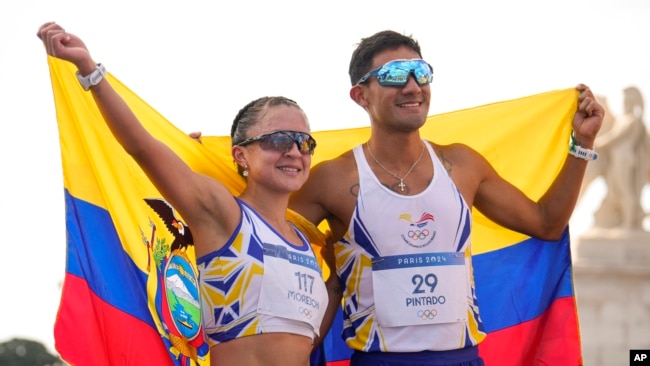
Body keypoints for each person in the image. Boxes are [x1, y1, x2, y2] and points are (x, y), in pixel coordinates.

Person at [288, 30, 604, 365]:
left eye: (421, 73)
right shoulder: (332, 180)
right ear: (361, 95)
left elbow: (547, 223)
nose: (412, 87)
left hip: (463, 358)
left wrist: (582, 144)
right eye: (394, 75)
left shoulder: (463, 166)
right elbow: (267, 247)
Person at [37, 22, 339, 366]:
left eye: (304, 143)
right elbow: (141, 146)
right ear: (240, 155)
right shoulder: (222, 212)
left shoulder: (305, 240)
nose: (294, 152)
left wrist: (334, 284)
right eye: (278, 140)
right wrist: (91, 72)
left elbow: (307, 341)